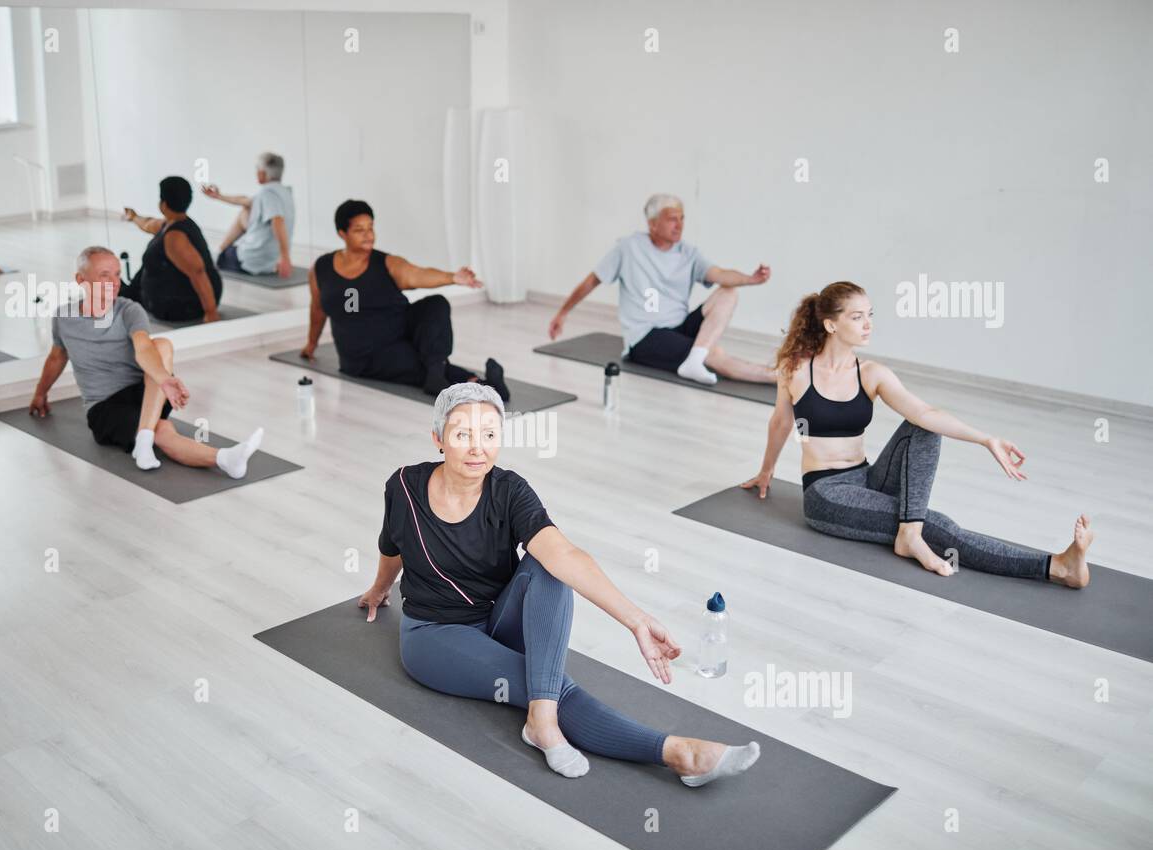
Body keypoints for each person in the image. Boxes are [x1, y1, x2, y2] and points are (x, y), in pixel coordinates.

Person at [359, 382, 762, 783]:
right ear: (439, 439)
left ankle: (543, 719)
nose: (477, 447)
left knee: (549, 566)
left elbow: (566, 556)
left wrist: (636, 621)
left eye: (489, 434)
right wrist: (380, 588)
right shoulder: (405, 486)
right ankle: (678, 753)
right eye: (462, 434)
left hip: (498, 620)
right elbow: (392, 544)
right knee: (542, 685)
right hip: (436, 633)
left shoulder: (509, 490)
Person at [742, 281, 1093, 585]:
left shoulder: (872, 373)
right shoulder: (796, 371)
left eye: (870, 315)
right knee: (935, 525)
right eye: (857, 317)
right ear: (831, 325)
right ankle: (1056, 568)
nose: (868, 325)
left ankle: (909, 533)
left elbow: (925, 412)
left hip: (867, 476)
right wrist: (766, 471)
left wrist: (986, 439)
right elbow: (780, 423)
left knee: (923, 427)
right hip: (827, 494)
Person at [28, 246, 264, 477]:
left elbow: (143, 347)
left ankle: (144, 437)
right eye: (104, 275)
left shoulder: (129, 310)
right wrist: (40, 394)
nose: (114, 281)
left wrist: (164, 381)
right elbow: (57, 356)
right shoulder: (63, 317)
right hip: (105, 406)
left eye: (117, 274)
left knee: (161, 345)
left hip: (149, 390)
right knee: (162, 429)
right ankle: (223, 458)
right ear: (81, 280)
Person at [548, 193, 775, 385]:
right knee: (714, 353)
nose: (679, 225)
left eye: (682, 218)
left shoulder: (688, 253)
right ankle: (779, 377)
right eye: (671, 219)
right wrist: (562, 313)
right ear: (652, 223)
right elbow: (592, 281)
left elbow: (720, 275)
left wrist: (751, 279)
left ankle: (695, 359)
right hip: (646, 336)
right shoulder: (628, 248)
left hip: (678, 327)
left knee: (728, 292)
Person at [302, 199, 510, 399]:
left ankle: (441, 375)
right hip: (366, 353)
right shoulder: (321, 268)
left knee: (436, 304)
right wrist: (311, 344)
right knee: (420, 366)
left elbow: (417, 274)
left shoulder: (386, 262)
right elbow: (318, 310)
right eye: (359, 230)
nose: (368, 235)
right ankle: (485, 388)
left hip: (401, 329)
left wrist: (453, 278)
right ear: (342, 234)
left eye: (370, 227)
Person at [120, 176, 224, 324]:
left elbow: (198, 273)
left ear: (163, 204)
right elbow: (148, 224)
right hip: (178, 294)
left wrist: (211, 312)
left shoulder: (175, 237)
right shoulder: (172, 223)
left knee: (114, 288)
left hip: (184, 306)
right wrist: (134, 217)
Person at [201, 152, 294, 277]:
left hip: (252, 261)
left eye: (257, 169)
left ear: (262, 173)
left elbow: (277, 221)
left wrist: (285, 258)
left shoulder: (267, 194)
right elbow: (245, 201)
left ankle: (220, 254)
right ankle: (221, 251)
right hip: (270, 260)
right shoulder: (284, 192)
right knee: (246, 210)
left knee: (213, 258)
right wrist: (218, 196)